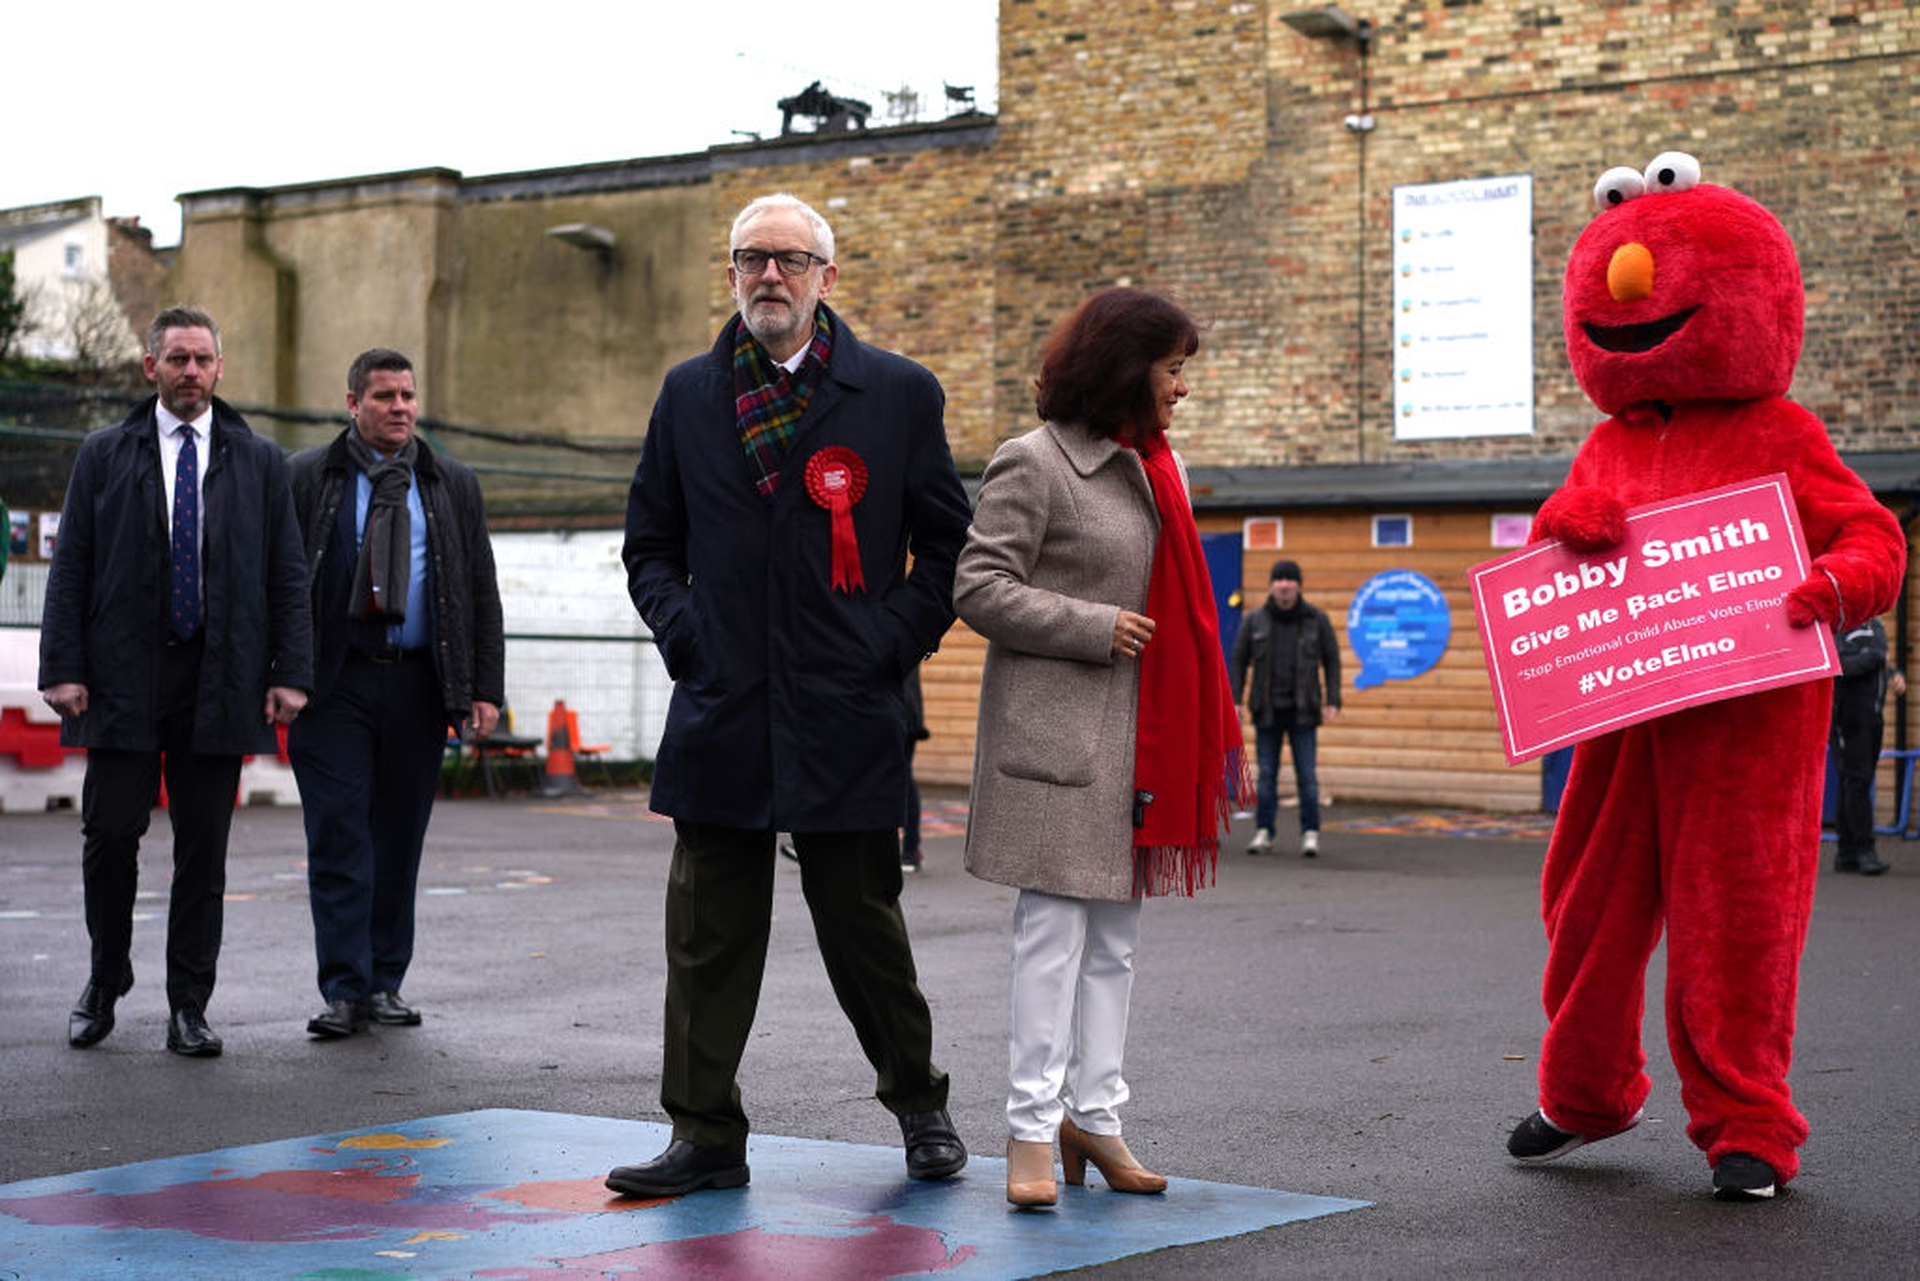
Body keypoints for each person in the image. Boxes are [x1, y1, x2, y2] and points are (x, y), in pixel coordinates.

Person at [611, 192, 974, 1198]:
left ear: (826, 275)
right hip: (724, 708)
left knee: (866, 931)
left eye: (791, 259)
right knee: (708, 936)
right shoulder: (689, 394)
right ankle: (704, 1135)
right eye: (751, 259)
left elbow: (948, 545)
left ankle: (919, 1105)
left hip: (846, 710)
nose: (770, 276)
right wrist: (689, 638)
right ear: (729, 274)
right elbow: (649, 544)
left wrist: (886, 644)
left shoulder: (897, 394)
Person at [956, 286, 1249, 1208]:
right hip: (1058, 742)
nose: (1181, 390)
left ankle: (1098, 1116)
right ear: (1128, 370)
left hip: (1143, 747)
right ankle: (1030, 1130)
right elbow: (977, 585)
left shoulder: (1164, 470)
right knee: (1050, 940)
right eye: (1173, 370)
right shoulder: (1032, 462)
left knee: (1115, 944)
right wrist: (1091, 624)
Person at [40, 305, 313, 1058]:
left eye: (202, 359)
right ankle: (104, 978)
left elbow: (287, 574)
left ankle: (189, 1004)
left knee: (203, 849)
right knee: (109, 837)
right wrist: (61, 666)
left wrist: (291, 672)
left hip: (219, 676)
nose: (190, 370)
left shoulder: (258, 460)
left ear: (220, 369)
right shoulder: (104, 453)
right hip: (122, 675)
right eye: (176, 358)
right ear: (150, 368)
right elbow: (72, 567)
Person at [286, 348, 505, 1039]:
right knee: (339, 833)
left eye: (408, 395)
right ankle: (344, 989)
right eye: (385, 396)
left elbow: (479, 589)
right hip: (334, 682)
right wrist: (281, 674)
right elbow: (282, 583)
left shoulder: (449, 482)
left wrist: (483, 689)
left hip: (419, 681)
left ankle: (385, 981)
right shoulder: (307, 478)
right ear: (352, 403)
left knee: (399, 837)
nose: (401, 407)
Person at [1228, 560, 1342, 856]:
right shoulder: (1255, 620)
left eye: (1290, 579)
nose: (1284, 584)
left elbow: (1332, 661)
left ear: (1298, 585)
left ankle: (1311, 833)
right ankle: (1264, 832)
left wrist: (1333, 700)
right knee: (1266, 776)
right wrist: (1235, 698)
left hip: (1304, 712)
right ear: (1272, 585)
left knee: (1307, 777)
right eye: (1279, 579)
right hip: (1267, 711)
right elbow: (1238, 661)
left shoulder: (1316, 619)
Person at [1831, 616, 1903, 876]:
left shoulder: (1876, 624)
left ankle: (1846, 853)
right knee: (1856, 780)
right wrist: (1873, 657)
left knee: (1855, 781)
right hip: (1847, 718)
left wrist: (1893, 674)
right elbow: (1839, 665)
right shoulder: (1839, 625)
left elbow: (1881, 660)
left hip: (1872, 716)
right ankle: (1864, 852)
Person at [901, 666, 929, 872]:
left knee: (903, 780)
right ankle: (911, 849)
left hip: (903, 714)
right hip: (903, 712)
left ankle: (911, 848)